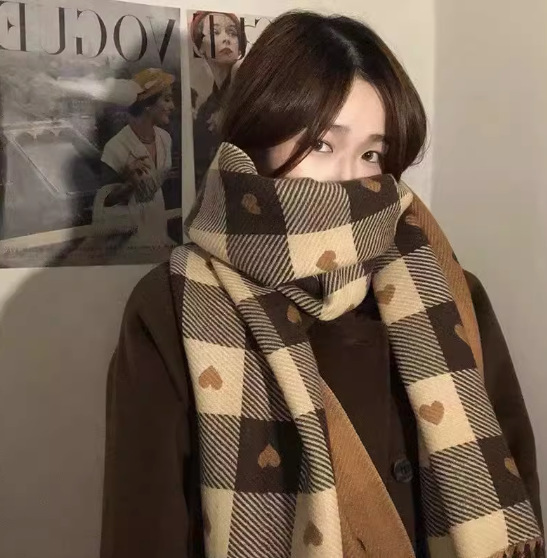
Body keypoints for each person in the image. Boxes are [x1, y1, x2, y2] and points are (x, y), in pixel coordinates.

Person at [101, 11, 544, 558]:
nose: (348, 181)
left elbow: (515, 475)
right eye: (322, 145)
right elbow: (143, 530)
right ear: (258, 140)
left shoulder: (450, 291)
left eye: (371, 154)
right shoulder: (175, 306)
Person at [97, 68, 176, 246]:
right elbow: (103, 203)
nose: (172, 106)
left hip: (159, 231)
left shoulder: (165, 139)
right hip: (128, 242)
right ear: (148, 104)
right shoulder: (115, 148)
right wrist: (129, 185)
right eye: (167, 99)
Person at [190, 11, 247, 188]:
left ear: (240, 48)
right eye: (215, 32)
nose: (226, 39)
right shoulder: (205, 109)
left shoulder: (251, 80)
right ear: (200, 48)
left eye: (232, 33)